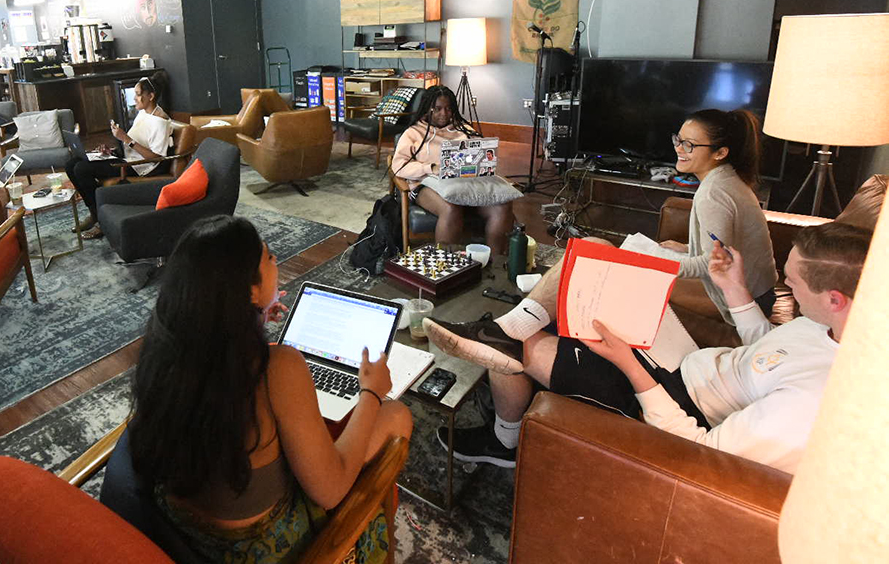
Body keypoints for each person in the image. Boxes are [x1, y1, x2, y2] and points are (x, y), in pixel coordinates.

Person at [424, 222, 872, 475]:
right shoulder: (828, 327)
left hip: (672, 402)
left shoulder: (817, 401)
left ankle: (505, 442)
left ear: (835, 298)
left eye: (792, 280)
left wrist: (627, 364)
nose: (783, 285)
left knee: (523, 351)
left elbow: (702, 448)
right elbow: (767, 350)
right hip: (684, 358)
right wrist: (733, 289)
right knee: (596, 248)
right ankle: (509, 326)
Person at [129, 215, 413, 563]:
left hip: (184, 534)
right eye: (270, 257)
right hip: (266, 549)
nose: (276, 260)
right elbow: (331, 490)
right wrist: (370, 392)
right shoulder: (277, 367)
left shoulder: (165, 349)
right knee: (396, 414)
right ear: (248, 289)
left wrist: (254, 319)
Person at [659, 109, 778, 322]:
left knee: (648, 282)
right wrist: (687, 249)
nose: (679, 148)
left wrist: (656, 264)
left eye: (690, 145)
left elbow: (715, 262)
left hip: (747, 302)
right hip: (760, 291)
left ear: (720, 153)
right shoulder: (729, 178)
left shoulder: (713, 194)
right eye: (679, 139)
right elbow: (727, 246)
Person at [390, 84, 516, 252]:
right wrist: (431, 168)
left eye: (449, 109)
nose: (444, 114)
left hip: (467, 183)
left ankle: (496, 261)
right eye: (438, 109)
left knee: (502, 206)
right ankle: (447, 264)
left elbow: (480, 158)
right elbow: (399, 166)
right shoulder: (413, 133)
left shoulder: (464, 130)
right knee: (450, 207)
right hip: (426, 184)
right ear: (428, 109)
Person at [65, 75, 172, 239]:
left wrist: (126, 139)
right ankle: (95, 213)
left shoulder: (160, 121)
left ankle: (101, 218)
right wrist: (112, 151)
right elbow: (134, 146)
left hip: (142, 167)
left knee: (81, 169)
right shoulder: (144, 114)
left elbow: (156, 158)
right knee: (71, 164)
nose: (134, 98)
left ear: (151, 96)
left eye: (137, 94)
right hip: (128, 160)